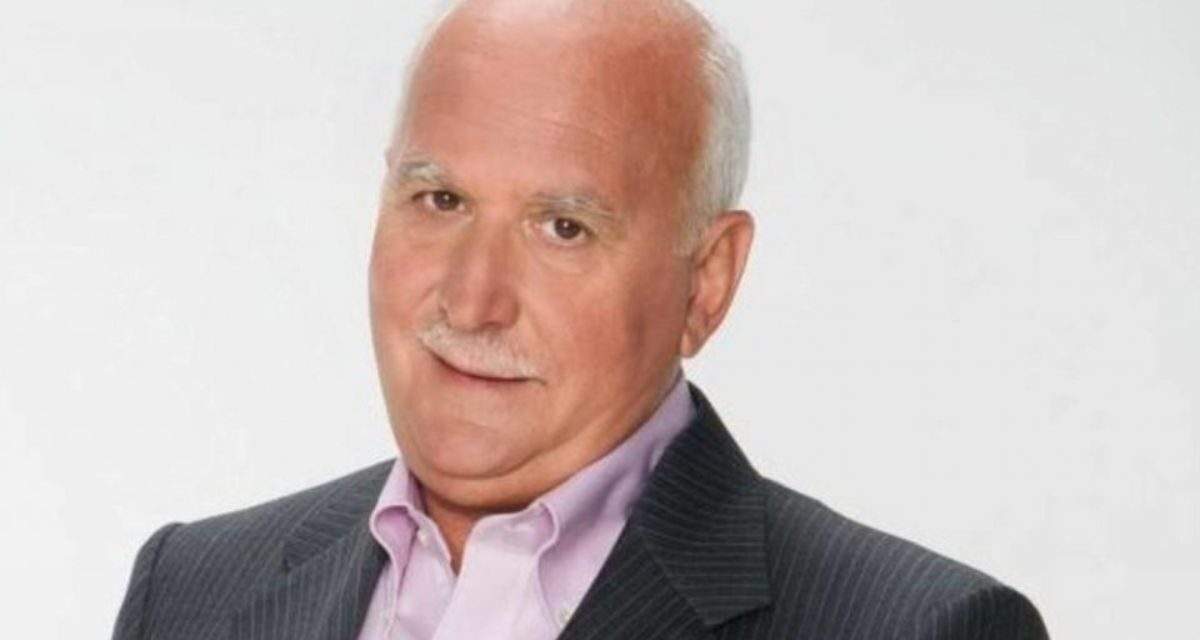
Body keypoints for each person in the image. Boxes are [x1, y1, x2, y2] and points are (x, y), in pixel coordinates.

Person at [112, 0, 1049, 638]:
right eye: (440, 200)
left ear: (707, 282)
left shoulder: (918, 627)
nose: (472, 300)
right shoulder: (190, 593)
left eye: (563, 227)